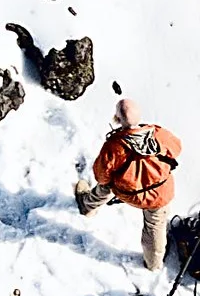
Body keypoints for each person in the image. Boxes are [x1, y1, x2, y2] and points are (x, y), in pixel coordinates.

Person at [75, 97, 182, 270]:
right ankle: (153, 264)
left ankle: (87, 206)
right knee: (155, 225)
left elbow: (101, 176)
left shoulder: (114, 146)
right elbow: (177, 148)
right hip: (160, 192)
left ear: (117, 119)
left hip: (130, 194)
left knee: (106, 185)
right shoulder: (158, 134)